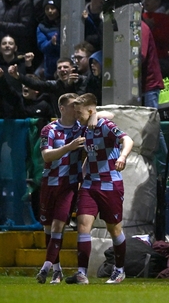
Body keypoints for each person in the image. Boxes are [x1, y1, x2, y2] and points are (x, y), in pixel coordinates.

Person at [65, 93, 134, 285]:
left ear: (89, 111)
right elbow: (90, 156)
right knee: (83, 225)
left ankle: (119, 270)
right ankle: (81, 273)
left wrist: (122, 157)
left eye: (79, 113)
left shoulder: (105, 126)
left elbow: (128, 140)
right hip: (90, 184)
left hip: (110, 184)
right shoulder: (84, 128)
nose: (77, 116)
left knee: (114, 228)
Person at [35, 93, 85, 285]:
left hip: (68, 185)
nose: (76, 109)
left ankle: (45, 268)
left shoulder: (81, 128)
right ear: (62, 108)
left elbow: (107, 115)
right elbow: (47, 156)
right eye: (73, 105)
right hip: (50, 183)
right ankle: (57, 270)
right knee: (48, 228)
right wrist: (69, 147)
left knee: (58, 226)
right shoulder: (50, 129)